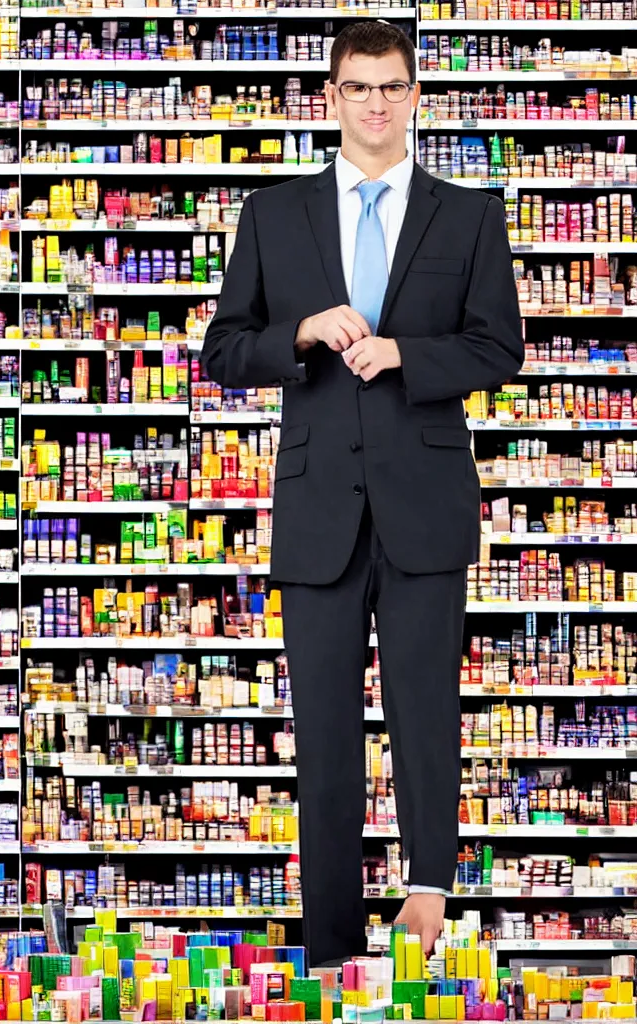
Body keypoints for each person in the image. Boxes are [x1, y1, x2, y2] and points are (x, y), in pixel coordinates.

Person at [200, 20, 524, 968]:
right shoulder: (274, 213)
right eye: (357, 86)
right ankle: (334, 944)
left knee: (427, 715)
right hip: (317, 516)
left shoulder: (469, 213)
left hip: (425, 505)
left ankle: (428, 899)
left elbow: (497, 349)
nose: (374, 103)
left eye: (391, 86)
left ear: (416, 96)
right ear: (330, 98)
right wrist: (298, 333)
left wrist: (405, 356)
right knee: (325, 734)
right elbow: (223, 352)